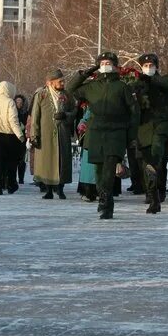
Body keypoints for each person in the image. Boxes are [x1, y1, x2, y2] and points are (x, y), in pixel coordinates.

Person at [68, 52, 139, 219]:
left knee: (108, 170)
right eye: (102, 63)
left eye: (109, 62)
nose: (106, 65)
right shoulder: (92, 86)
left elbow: (134, 111)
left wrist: (131, 134)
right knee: (99, 171)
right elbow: (70, 90)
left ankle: (106, 204)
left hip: (116, 133)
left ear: (115, 66)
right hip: (96, 133)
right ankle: (103, 198)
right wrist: (85, 73)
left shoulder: (122, 87)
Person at [135, 53, 168, 214]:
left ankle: (158, 193)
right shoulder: (138, 83)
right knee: (146, 163)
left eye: (151, 66)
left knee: (156, 159)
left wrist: (151, 78)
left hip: (161, 126)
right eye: (145, 66)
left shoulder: (163, 80)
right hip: (144, 128)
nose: (148, 68)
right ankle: (152, 195)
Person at [30, 69, 75, 200]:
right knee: (47, 162)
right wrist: (34, 135)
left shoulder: (67, 95)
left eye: (63, 80)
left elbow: (74, 110)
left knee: (62, 160)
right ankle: (48, 189)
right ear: (51, 82)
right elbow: (35, 116)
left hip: (62, 133)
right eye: (60, 81)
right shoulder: (41, 95)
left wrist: (66, 115)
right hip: (46, 134)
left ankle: (60, 189)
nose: (62, 83)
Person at [0, 81, 26, 195]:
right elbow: (13, 120)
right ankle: (11, 184)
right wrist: (20, 135)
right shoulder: (10, 102)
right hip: (8, 137)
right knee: (11, 162)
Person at [14, 94, 29, 184]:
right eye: (17, 102)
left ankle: (21, 179)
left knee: (21, 160)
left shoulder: (25, 113)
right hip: (13, 138)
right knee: (14, 159)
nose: (19, 103)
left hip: (22, 138)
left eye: (20, 102)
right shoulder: (12, 111)